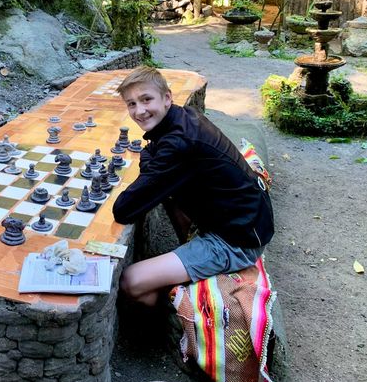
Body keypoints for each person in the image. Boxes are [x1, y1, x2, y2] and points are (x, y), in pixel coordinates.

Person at [113, 66, 274, 306]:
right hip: (247, 219)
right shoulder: (182, 116)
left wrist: (150, 167)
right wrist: (151, 164)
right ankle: (180, 274)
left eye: (146, 99)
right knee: (169, 189)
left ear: (167, 98)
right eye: (132, 104)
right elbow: (151, 154)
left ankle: (174, 312)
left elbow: (124, 209)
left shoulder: (178, 142)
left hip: (238, 240)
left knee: (131, 281)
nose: (139, 111)